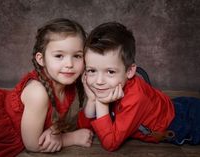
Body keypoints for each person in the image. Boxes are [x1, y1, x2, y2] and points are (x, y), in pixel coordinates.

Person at [0, 18, 93, 157]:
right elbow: (32, 144)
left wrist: (55, 129)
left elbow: (60, 117)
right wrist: (68, 138)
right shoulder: (38, 93)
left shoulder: (69, 85)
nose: (69, 64)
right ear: (41, 59)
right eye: (59, 56)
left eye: (77, 56)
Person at [78, 22, 200, 151]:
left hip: (184, 122)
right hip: (173, 106)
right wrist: (92, 100)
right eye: (92, 70)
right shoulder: (107, 86)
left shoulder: (135, 98)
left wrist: (101, 103)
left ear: (129, 71)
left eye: (110, 72)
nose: (99, 81)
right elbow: (84, 130)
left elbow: (110, 143)